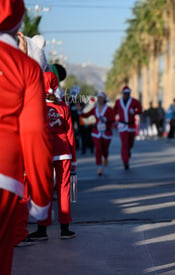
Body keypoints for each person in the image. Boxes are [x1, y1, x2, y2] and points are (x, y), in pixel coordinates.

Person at [0, 1, 53, 273]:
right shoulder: (26, 67)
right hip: (4, 174)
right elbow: (34, 134)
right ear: (19, 21)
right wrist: (41, 201)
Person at [28, 72, 77, 240]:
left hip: (44, 153)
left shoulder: (36, 106)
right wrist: (74, 161)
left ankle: (42, 230)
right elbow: (70, 134)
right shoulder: (63, 107)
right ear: (56, 86)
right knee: (63, 191)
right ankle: (65, 229)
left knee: (44, 190)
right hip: (64, 153)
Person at [79, 92, 115, 175]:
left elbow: (113, 119)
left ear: (104, 99)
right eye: (98, 97)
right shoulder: (95, 109)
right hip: (96, 132)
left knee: (105, 149)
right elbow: (86, 115)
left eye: (100, 97)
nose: (99, 99)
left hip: (106, 132)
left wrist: (106, 120)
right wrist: (80, 111)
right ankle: (99, 167)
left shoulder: (109, 109)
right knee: (98, 149)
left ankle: (105, 157)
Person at [114, 86, 143, 170]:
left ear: (130, 93)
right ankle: (125, 161)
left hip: (131, 126)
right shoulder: (118, 102)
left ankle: (128, 152)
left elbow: (140, 110)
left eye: (128, 93)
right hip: (122, 126)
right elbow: (113, 111)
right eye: (125, 93)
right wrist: (112, 120)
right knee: (124, 144)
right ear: (123, 93)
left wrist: (134, 111)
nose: (126, 95)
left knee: (130, 144)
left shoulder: (134, 101)